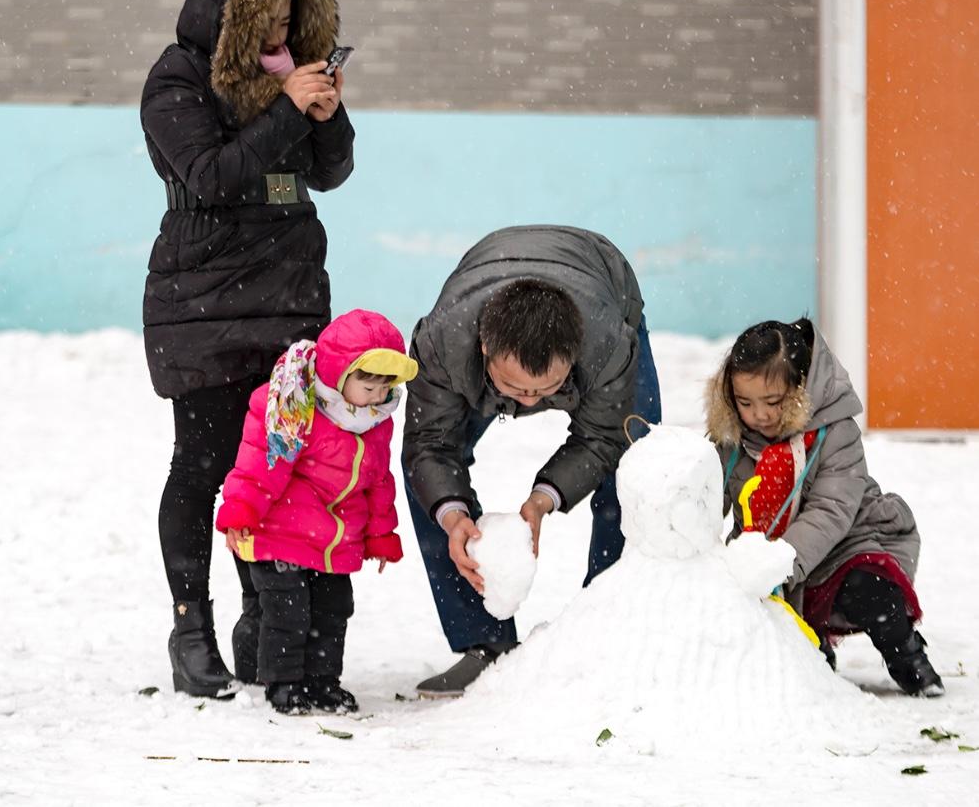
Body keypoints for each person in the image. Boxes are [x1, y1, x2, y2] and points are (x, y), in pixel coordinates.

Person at [140, 0, 356, 697]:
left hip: (290, 295)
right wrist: (287, 111)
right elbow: (214, 176)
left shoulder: (291, 70)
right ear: (225, 11)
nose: (280, 30)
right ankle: (189, 625)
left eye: (291, 12)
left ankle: (260, 619)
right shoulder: (176, 80)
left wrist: (324, 113)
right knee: (203, 465)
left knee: (274, 467)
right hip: (202, 297)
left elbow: (331, 173)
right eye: (266, 14)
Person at [402, 225, 662, 697]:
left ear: (574, 357)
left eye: (544, 391)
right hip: (485, 275)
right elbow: (429, 448)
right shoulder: (442, 343)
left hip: (603, 278)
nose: (529, 401)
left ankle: (610, 634)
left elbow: (604, 436)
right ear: (485, 348)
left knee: (639, 464)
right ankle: (486, 643)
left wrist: (544, 499)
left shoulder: (606, 343)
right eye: (516, 388)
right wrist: (453, 514)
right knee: (429, 478)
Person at [705, 318, 944, 697]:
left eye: (773, 401)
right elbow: (707, 498)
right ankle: (814, 659)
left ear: (801, 388)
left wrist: (780, 562)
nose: (760, 415)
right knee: (790, 647)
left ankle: (907, 654)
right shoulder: (733, 438)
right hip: (769, 556)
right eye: (745, 403)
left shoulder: (835, 432)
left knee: (871, 593)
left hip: (848, 545)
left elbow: (831, 509)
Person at [216, 310, 416, 713]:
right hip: (281, 534)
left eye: (385, 384)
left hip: (334, 541)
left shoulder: (376, 421)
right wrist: (239, 512)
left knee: (333, 609)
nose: (377, 394)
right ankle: (284, 683)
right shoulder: (295, 406)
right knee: (288, 612)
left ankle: (322, 682)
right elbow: (260, 465)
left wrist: (380, 534)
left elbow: (377, 480)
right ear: (338, 375)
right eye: (367, 382)